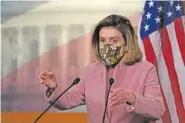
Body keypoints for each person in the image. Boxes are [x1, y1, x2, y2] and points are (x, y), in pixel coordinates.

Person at [38, 14, 165, 123]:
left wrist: (132, 98)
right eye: (103, 40)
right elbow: (68, 101)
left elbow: (157, 110)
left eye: (114, 40)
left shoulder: (145, 70)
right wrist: (53, 88)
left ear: (127, 44)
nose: (107, 46)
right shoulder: (91, 71)